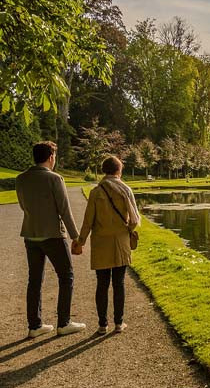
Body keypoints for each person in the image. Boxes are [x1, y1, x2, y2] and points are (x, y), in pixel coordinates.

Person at [16, 141, 86, 338]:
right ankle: (64, 322)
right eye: (54, 156)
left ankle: (35, 325)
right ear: (50, 157)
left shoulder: (21, 179)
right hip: (53, 235)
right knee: (66, 276)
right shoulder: (55, 178)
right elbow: (64, 210)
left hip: (30, 235)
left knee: (35, 280)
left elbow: (23, 206)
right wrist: (76, 238)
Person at [74, 156, 140, 334]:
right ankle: (119, 323)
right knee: (119, 283)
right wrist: (127, 228)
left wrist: (81, 241)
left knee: (102, 284)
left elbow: (88, 221)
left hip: (101, 241)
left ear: (104, 170)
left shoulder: (96, 192)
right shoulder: (125, 189)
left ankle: (102, 324)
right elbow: (134, 220)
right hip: (120, 241)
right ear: (119, 170)